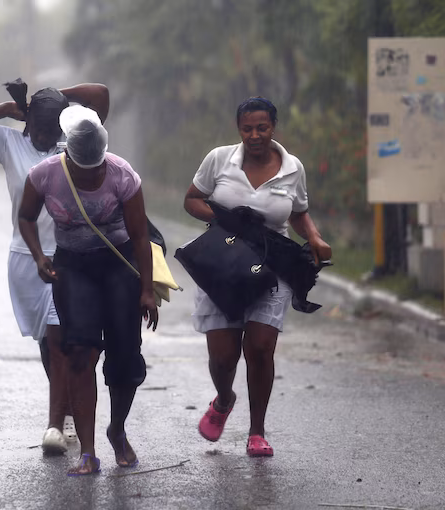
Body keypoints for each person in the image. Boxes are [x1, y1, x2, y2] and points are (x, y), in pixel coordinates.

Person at [0, 82, 109, 454]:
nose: (44, 136)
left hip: (71, 255)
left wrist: (56, 96)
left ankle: (57, 425)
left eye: (52, 128)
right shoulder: (10, 143)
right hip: (26, 256)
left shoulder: (76, 141)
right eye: (38, 128)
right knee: (47, 342)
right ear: (27, 124)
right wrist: (10, 107)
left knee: (60, 339)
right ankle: (68, 409)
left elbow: (100, 94)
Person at [182, 96, 332, 457]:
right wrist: (228, 221)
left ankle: (257, 432)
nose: (254, 135)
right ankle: (223, 399)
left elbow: (298, 212)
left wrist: (313, 236)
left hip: (271, 265)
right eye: (247, 128)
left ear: (273, 128)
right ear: (239, 130)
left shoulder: (292, 167)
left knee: (261, 349)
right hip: (223, 264)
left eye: (261, 127)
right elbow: (192, 200)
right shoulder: (219, 159)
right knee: (223, 358)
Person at [18, 105, 157, 476]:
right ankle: (89, 452)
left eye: (97, 165)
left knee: (125, 358)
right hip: (73, 266)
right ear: (68, 155)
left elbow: (140, 235)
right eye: (84, 166)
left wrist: (147, 289)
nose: (92, 171)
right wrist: (38, 257)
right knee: (79, 352)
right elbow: (26, 217)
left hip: (117, 264)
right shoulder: (44, 175)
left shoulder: (123, 176)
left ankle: (117, 428)